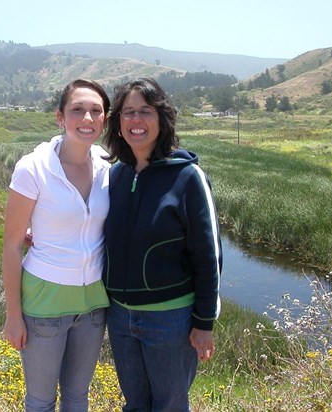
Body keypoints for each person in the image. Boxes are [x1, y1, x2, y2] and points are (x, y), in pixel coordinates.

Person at [102, 77, 222, 411]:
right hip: (121, 317)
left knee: (169, 405)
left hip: (171, 320)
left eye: (145, 111)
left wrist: (204, 322)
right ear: (118, 121)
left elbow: (209, 256)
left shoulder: (187, 177)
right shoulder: (114, 176)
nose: (136, 121)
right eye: (128, 113)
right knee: (135, 405)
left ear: (161, 118)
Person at [1, 79, 111, 412]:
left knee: (78, 397)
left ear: (105, 119)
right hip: (43, 304)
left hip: (93, 304)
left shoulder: (109, 168)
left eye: (96, 111)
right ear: (60, 117)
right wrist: (12, 316)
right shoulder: (32, 169)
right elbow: (11, 245)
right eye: (77, 110)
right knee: (40, 400)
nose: (87, 118)